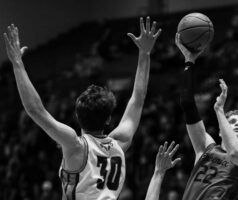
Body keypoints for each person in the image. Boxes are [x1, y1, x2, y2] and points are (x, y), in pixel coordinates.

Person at [3, 16, 161, 200]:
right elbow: (138, 99)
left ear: (78, 116)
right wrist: (145, 54)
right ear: (108, 119)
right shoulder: (120, 143)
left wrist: (17, 64)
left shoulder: (75, 145)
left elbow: (35, 110)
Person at [175, 33, 238, 200]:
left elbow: (235, 153)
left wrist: (219, 109)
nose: (236, 124)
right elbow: (187, 104)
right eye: (232, 122)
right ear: (221, 131)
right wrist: (189, 61)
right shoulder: (205, 147)